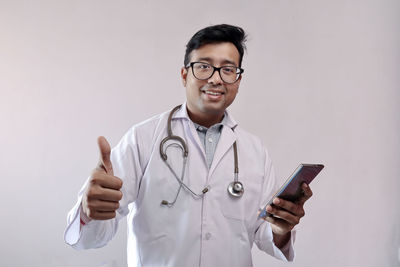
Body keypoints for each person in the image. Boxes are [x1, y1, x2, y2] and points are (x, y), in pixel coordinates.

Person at [64, 24, 313, 267]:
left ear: (238, 80)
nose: (216, 79)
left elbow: (264, 234)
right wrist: (90, 211)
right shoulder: (143, 139)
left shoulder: (255, 152)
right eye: (204, 67)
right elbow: (90, 237)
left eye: (228, 70)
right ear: (185, 75)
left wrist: (281, 227)